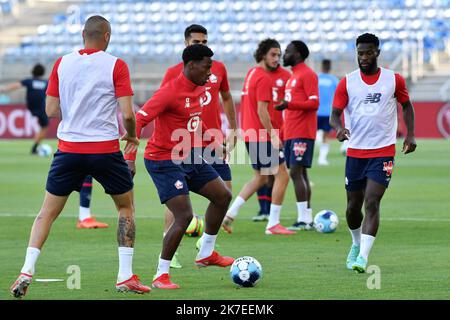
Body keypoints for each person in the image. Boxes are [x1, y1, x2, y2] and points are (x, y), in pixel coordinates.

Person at [10, 15, 150, 298]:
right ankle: (125, 276)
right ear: (107, 36)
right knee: (125, 208)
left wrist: (76, 113)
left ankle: (26, 270)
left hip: (69, 149)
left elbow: (50, 111)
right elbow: (126, 114)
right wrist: (133, 136)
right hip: (105, 150)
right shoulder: (116, 65)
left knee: (46, 214)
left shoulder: (62, 63)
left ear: (83, 34)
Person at [124, 44, 234, 290]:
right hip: (163, 160)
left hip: (189, 155)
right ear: (191, 65)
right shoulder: (170, 92)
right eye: (207, 67)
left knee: (222, 196)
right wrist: (129, 157)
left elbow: (195, 122)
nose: (210, 73)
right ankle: (161, 274)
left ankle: (206, 253)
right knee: (183, 216)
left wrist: (215, 142)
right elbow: (139, 119)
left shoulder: (200, 89)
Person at [330, 33, 416, 273]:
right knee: (351, 207)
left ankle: (363, 258)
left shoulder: (393, 79)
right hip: (356, 152)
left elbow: (407, 106)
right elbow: (335, 114)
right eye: (360, 53)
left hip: (383, 152)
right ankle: (356, 244)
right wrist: (339, 129)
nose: (364, 57)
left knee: (372, 201)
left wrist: (410, 135)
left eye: (368, 53)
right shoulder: (347, 81)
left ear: (377, 52)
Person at [158, 24, 237, 268]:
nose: (201, 45)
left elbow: (226, 97)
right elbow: (162, 107)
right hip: (184, 141)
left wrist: (233, 129)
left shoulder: (218, 68)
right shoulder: (173, 73)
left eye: (204, 41)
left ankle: (206, 248)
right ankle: (169, 249)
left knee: (224, 191)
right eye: (196, 42)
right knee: (177, 197)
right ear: (186, 44)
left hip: (212, 137)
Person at [223, 38, 294, 235]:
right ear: (263, 54)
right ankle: (273, 223)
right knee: (283, 176)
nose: (277, 58)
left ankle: (230, 214)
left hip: (251, 134)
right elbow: (262, 110)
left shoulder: (251, 73)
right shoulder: (262, 77)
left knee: (261, 178)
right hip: (262, 136)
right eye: (273, 54)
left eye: (279, 55)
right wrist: (273, 134)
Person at [275, 40, 319, 231]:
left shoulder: (308, 74)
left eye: (287, 52)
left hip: (303, 131)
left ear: (298, 54)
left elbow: (314, 103)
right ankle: (307, 217)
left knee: (296, 172)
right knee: (300, 172)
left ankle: (304, 219)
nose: (284, 55)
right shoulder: (293, 77)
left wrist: (289, 105)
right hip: (292, 131)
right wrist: (283, 133)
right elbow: (290, 111)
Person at [0, 64, 49, 154]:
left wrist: (3, 89)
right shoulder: (46, 83)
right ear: (43, 73)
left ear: (33, 71)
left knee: (43, 125)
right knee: (44, 126)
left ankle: (35, 147)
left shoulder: (29, 81)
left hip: (31, 106)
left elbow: (16, 85)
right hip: (41, 107)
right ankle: (35, 147)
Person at [317, 59, 339, 166]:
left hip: (315, 112)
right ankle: (322, 159)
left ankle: (305, 156)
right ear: (330, 68)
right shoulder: (334, 80)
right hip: (328, 112)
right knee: (326, 136)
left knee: (310, 135)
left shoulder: (316, 78)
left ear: (321, 67)